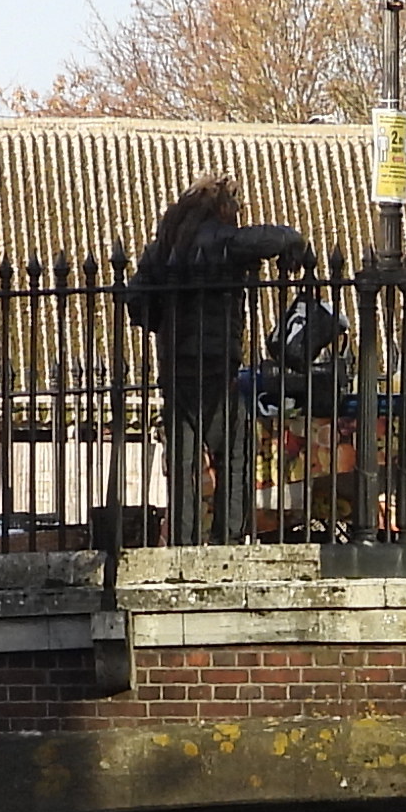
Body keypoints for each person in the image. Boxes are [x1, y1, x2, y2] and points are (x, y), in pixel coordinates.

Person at [123, 179, 318, 542]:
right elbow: (262, 239)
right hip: (214, 364)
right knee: (236, 449)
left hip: (175, 365)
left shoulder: (163, 248)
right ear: (223, 208)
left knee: (184, 460)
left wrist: (165, 317)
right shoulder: (222, 238)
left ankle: (184, 538)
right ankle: (227, 536)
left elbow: (136, 302)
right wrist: (294, 239)